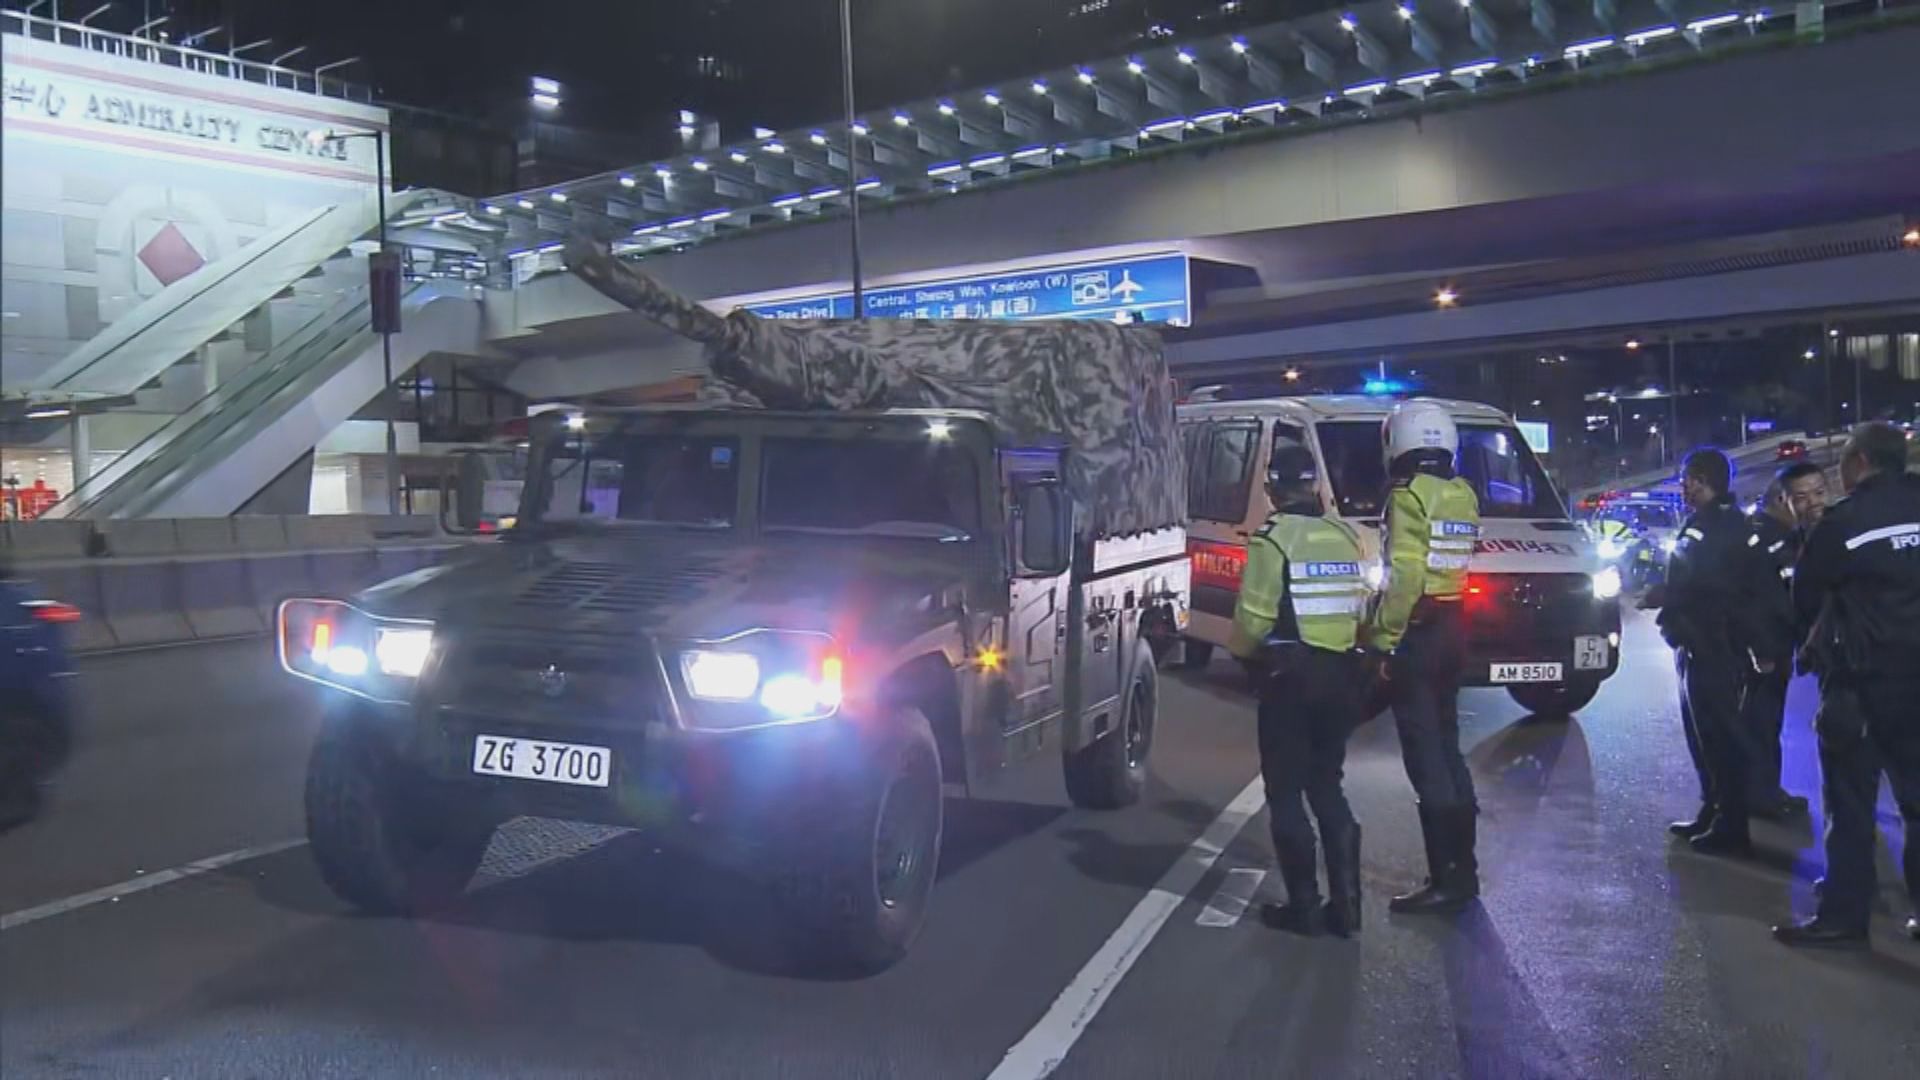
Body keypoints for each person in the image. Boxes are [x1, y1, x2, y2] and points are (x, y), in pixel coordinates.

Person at [1774, 422, 1920, 948]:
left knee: (1851, 806)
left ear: (1858, 462)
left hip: (1862, 688)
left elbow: (1807, 598)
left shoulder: (1845, 523)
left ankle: (1844, 918)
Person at [1229, 443, 1370, 937]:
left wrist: (1243, 654)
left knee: (1286, 792)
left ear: (1271, 489)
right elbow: (1362, 608)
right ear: (1314, 486)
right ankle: (1348, 908)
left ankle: (1305, 908)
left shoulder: (1273, 540)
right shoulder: (1343, 535)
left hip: (1290, 679)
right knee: (1328, 785)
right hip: (1342, 678)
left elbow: (1253, 619)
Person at [1365, 400, 1483, 915]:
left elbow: (1406, 576)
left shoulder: (1408, 497)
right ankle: (1465, 870)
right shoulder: (1462, 495)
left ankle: (1445, 880)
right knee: (1450, 750)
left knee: (1425, 756)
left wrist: (1384, 638)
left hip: (1420, 629)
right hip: (1455, 623)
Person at [1646, 449, 1772, 857]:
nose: (1683, 488)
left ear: (1701, 480)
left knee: (1720, 738)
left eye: (1687, 480)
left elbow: (1711, 587)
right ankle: (1713, 810)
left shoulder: (1719, 527)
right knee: (1704, 737)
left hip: (1715, 645)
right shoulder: (1718, 524)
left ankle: (1730, 825)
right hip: (1699, 643)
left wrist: (1666, 597)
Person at [1741, 463, 1828, 818]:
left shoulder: (1788, 534)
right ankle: (1760, 796)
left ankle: (1764, 791)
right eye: (1802, 497)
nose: (1813, 504)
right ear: (1782, 499)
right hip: (1765, 647)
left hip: (1774, 644)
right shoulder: (1772, 538)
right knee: (1761, 721)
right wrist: (1762, 649)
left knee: (1767, 720)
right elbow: (1763, 599)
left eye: (1819, 494)